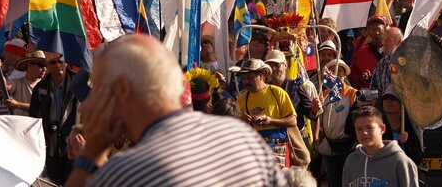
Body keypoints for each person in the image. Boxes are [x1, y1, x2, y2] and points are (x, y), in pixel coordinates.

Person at [63, 34, 286, 187]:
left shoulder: (129, 169)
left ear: (122, 88)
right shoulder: (242, 137)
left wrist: (91, 155)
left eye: (102, 88)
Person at [30, 53, 77, 185]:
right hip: (51, 144)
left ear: (66, 62)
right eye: (52, 63)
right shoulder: (40, 87)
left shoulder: (77, 83)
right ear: (47, 65)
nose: (57, 65)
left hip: (74, 143)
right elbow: (34, 117)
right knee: (54, 181)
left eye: (60, 61)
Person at [342, 106, 418, 187]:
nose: (364, 132)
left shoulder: (400, 161)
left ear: (382, 129)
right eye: (359, 129)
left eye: (369, 127)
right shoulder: (351, 161)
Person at [316, 60, 359, 187]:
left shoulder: (352, 93)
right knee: (333, 181)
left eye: (339, 70)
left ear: (345, 74)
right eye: (332, 70)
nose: (336, 73)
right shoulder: (323, 95)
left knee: (348, 181)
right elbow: (319, 118)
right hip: (330, 146)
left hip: (349, 146)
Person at [232, 59, 297, 142]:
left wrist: (271, 121)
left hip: (278, 146)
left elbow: (293, 121)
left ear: (261, 76)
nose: (246, 82)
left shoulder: (277, 93)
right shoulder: (242, 99)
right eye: (243, 78)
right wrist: (241, 120)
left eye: (250, 78)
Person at [378, 85, 422, 165]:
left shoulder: (410, 126)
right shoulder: (377, 125)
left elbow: (417, 159)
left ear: (402, 104)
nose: (389, 101)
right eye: (386, 98)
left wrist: (407, 143)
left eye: (393, 99)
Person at [5, 50, 48, 116]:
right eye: (41, 65)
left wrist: (18, 105)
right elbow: (5, 86)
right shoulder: (17, 83)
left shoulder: (47, 86)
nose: (45, 69)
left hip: (37, 125)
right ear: (29, 65)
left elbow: (41, 108)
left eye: (46, 65)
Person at [349, 16, 386, 90]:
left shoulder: (392, 52)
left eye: (379, 29)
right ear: (368, 32)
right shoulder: (361, 53)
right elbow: (352, 78)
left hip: (389, 98)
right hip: (369, 97)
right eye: (373, 30)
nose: (377, 33)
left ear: (385, 31)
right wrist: (361, 78)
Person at [370, 27, 402, 97]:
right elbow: (373, 90)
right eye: (384, 40)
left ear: (399, 42)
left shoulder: (408, 63)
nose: (384, 43)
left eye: (388, 40)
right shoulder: (381, 64)